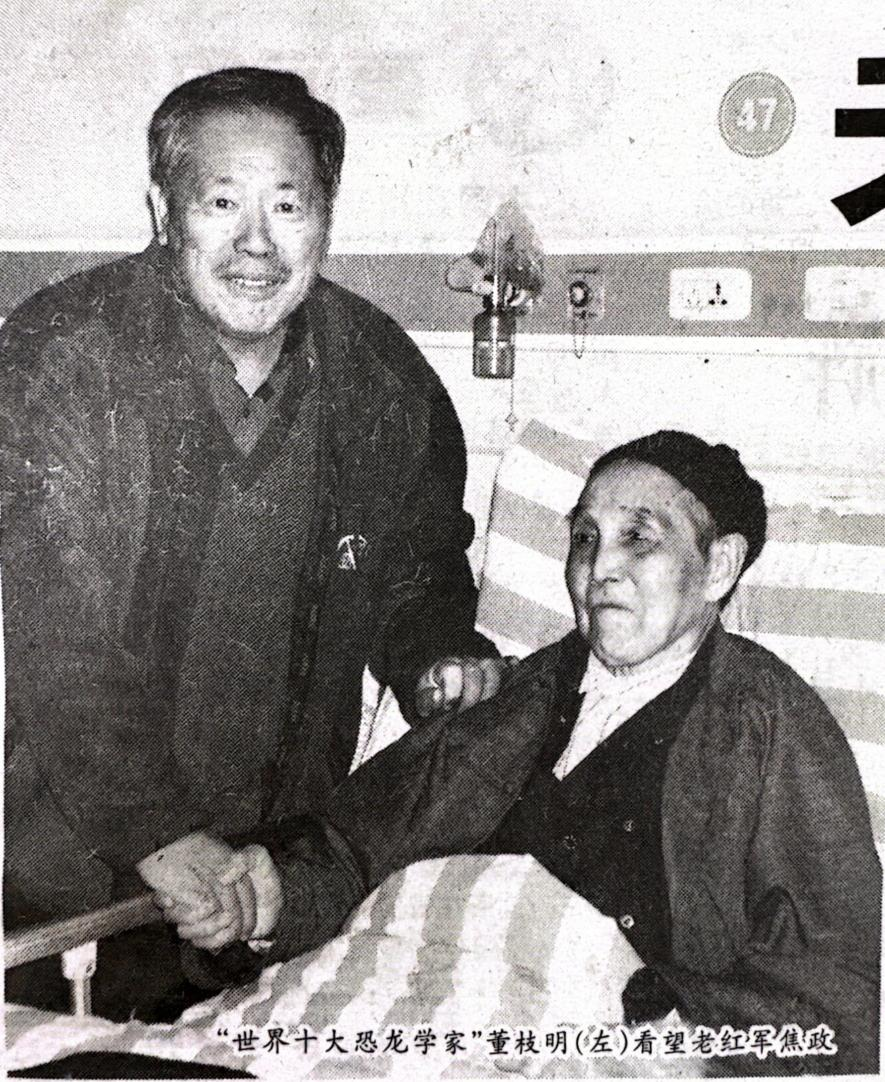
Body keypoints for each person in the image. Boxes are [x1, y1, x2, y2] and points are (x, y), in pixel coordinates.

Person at [2, 66, 507, 1012]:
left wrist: (436, 652)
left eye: (287, 205)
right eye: (222, 202)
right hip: (73, 893)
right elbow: (60, 640)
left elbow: (420, 565)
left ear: (325, 218)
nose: (256, 244)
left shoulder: (381, 379)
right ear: (165, 210)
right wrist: (160, 837)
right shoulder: (61, 360)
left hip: (277, 885)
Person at [152, 431, 881, 1074]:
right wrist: (269, 903)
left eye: (638, 538)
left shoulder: (766, 721)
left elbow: (841, 987)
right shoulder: (513, 695)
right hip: (398, 998)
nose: (600, 568)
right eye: (585, 538)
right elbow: (353, 855)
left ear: (719, 566)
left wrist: (663, 1011)